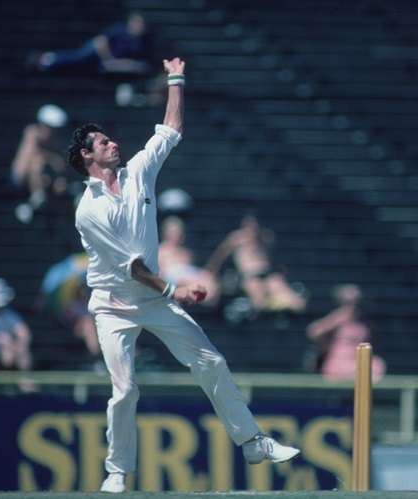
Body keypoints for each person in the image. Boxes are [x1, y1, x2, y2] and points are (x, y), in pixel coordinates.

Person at [68, 57, 300, 493]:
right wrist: (176, 289)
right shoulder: (89, 211)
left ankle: (252, 442)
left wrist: (176, 78)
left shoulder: (138, 171)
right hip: (114, 306)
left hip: (153, 300)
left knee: (210, 361)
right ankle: (117, 472)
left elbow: (171, 129)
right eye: (102, 142)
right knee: (126, 391)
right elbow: (131, 268)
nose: (113, 143)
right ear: (86, 156)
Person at [207, 215, 307, 316]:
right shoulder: (236, 239)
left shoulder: (267, 237)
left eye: (255, 226)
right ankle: (271, 309)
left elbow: (274, 259)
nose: (252, 229)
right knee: (259, 301)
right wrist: (211, 272)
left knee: (297, 303)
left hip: (269, 275)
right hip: (250, 276)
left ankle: (278, 305)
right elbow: (219, 256)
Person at [306, 284, 385, 382]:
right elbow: (313, 331)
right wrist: (335, 320)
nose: (352, 306)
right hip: (338, 363)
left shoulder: (364, 323)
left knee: (376, 365)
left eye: (356, 302)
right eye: (348, 302)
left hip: (357, 361)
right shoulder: (336, 319)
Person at [29, 12, 152, 75]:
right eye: (135, 23)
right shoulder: (119, 29)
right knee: (77, 57)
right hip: (97, 50)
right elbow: (101, 41)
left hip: (106, 60)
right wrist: (108, 59)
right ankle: (48, 59)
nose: (137, 27)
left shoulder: (140, 41)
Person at [11, 104, 70, 223]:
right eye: (51, 129)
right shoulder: (32, 135)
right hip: (25, 181)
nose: (54, 133)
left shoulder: (57, 143)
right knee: (37, 163)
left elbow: (62, 168)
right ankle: (37, 198)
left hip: (50, 186)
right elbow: (21, 169)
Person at [158, 216, 221, 307]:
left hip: (187, 278)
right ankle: (204, 298)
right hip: (172, 281)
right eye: (174, 232)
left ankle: (207, 299)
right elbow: (161, 274)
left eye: (179, 233)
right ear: (167, 233)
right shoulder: (160, 251)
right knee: (187, 281)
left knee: (209, 277)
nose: (178, 236)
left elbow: (191, 270)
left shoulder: (186, 253)